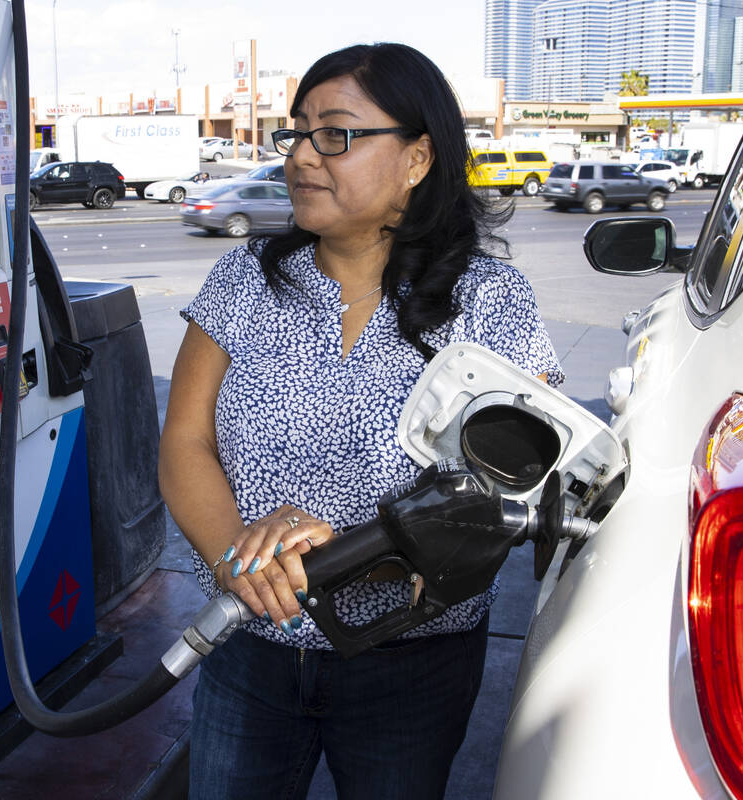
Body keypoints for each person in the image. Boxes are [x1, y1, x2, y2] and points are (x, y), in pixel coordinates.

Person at [158, 42, 564, 799]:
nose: (303, 156)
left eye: (335, 135)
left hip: (410, 663)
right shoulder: (244, 280)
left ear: (417, 158)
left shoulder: (492, 302)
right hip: (251, 642)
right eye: (297, 133)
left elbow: (516, 490)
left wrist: (356, 551)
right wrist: (237, 568)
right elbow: (185, 440)